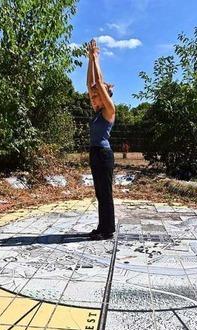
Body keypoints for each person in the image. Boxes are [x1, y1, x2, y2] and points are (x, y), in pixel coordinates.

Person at [86, 39, 116, 240]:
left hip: (104, 155)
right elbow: (91, 84)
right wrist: (90, 59)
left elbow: (100, 87)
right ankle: (102, 226)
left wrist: (97, 58)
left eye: (98, 95)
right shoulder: (98, 112)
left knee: (105, 194)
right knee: (100, 194)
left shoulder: (110, 111)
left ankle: (108, 230)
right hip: (95, 153)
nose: (93, 96)